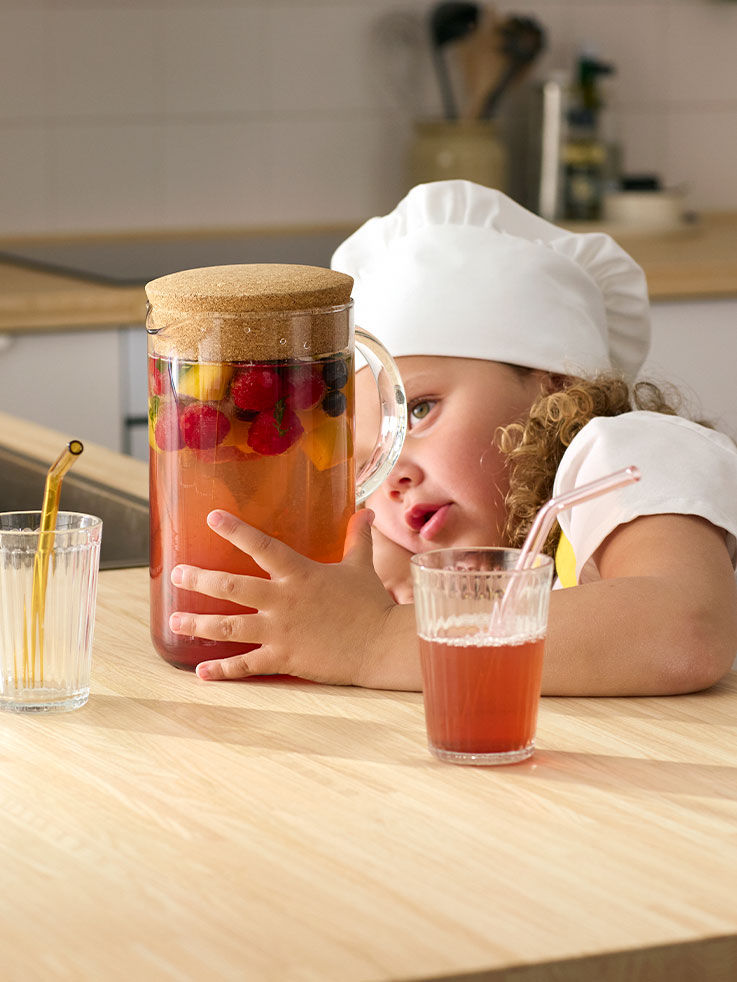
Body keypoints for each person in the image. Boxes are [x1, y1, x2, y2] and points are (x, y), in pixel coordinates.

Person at [167, 180, 737, 696]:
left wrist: (372, 641)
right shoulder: (469, 552)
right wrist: (384, 570)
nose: (396, 474)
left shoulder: (625, 458)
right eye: (368, 460)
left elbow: (685, 630)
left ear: (555, 386)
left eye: (419, 410)